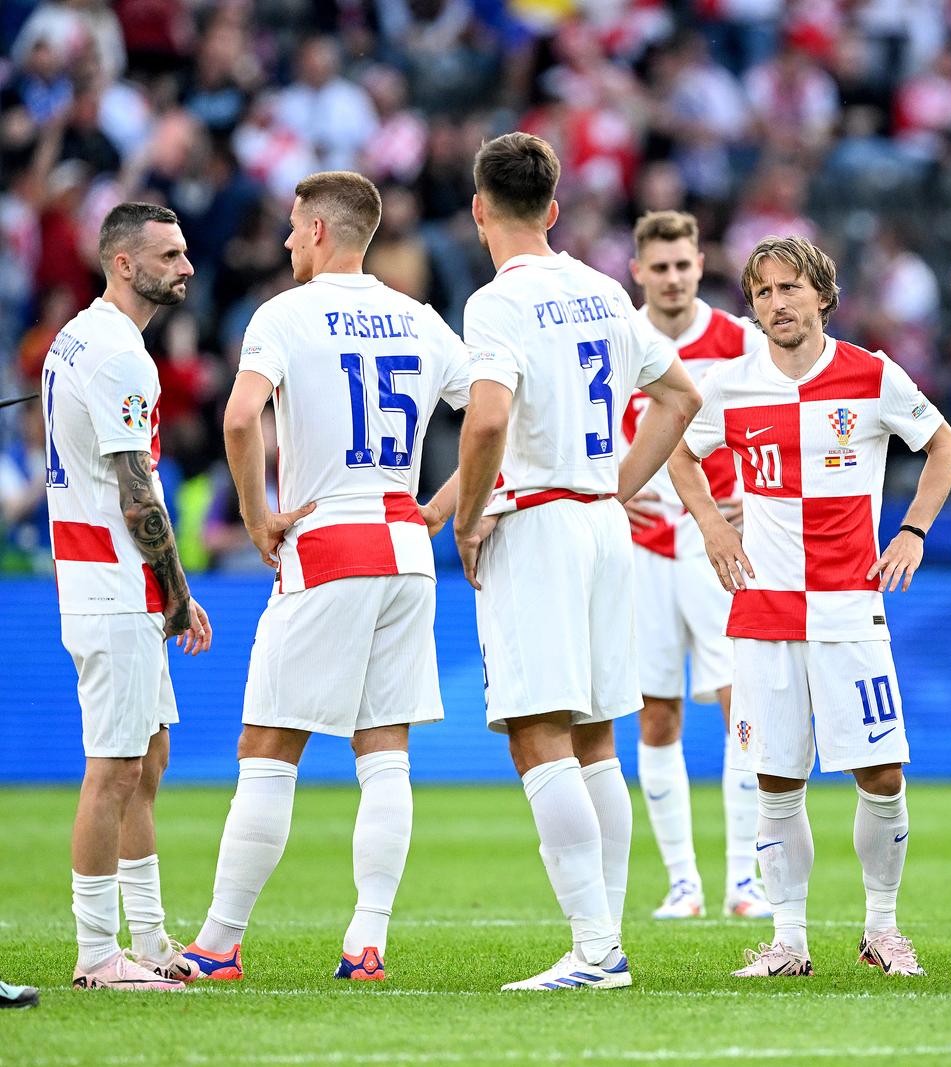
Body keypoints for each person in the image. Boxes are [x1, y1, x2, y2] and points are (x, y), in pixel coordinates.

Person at [181, 172, 515, 983]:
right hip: (404, 551)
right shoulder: (417, 317)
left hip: (327, 543)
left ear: (323, 232)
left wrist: (259, 519)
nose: (288, 241)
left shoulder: (284, 315)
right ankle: (367, 942)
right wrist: (446, 509)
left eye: (296, 228)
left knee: (267, 748)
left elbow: (236, 416)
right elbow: (500, 413)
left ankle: (219, 944)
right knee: (386, 755)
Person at [668, 235, 951, 980]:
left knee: (882, 774)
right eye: (763, 292)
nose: (777, 303)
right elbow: (677, 450)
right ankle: (789, 941)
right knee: (775, 778)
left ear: (822, 295)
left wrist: (914, 529)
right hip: (764, 609)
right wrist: (708, 522)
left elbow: (946, 447)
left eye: (790, 288)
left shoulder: (870, 374)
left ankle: (882, 929)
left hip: (848, 606)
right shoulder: (732, 384)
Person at [448, 132, 702, 992]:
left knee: (537, 731)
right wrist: (619, 486)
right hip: (601, 523)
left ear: (480, 208)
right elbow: (681, 397)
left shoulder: (496, 303)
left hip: (543, 523)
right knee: (597, 735)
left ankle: (595, 949)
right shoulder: (602, 291)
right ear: (553, 210)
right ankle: (605, 942)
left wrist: (469, 516)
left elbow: (485, 422)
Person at [43, 202, 211, 992]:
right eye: (170, 255)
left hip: (113, 581)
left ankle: (145, 935)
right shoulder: (118, 355)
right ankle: (96, 951)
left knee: (147, 758)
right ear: (123, 263)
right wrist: (178, 593)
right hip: (114, 583)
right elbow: (138, 494)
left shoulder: (80, 336)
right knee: (112, 768)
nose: (184, 266)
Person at [621, 210, 771, 922]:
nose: (674, 278)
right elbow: (589, 432)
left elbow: (775, 420)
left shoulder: (739, 340)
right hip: (642, 546)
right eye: (661, 267)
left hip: (718, 545)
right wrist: (610, 498)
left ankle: (746, 877)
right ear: (638, 271)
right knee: (657, 713)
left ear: (700, 263)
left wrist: (759, 500)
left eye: (684, 265)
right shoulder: (619, 337)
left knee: (736, 700)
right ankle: (683, 881)